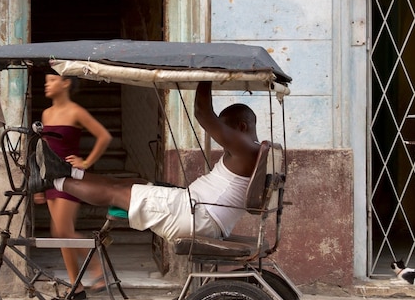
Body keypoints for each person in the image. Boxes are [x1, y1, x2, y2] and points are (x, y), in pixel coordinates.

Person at [30, 82, 260, 243]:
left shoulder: (246, 149)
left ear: (241, 127)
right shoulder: (248, 151)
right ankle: (69, 172)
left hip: (196, 217)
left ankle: (54, 180)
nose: (222, 136)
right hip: (196, 210)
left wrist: (207, 72)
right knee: (133, 183)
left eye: (226, 128)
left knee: (115, 194)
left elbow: (202, 113)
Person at [36, 71, 112, 300]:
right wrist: (40, 184)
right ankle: (76, 286)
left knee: (64, 231)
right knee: (59, 233)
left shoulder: (76, 111)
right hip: (51, 177)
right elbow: (44, 148)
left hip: (71, 178)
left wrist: (86, 162)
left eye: (52, 80)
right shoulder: (46, 113)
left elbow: (104, 137)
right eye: (46, 80)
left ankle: (98, 268)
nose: (47, 84)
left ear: (66, 83)